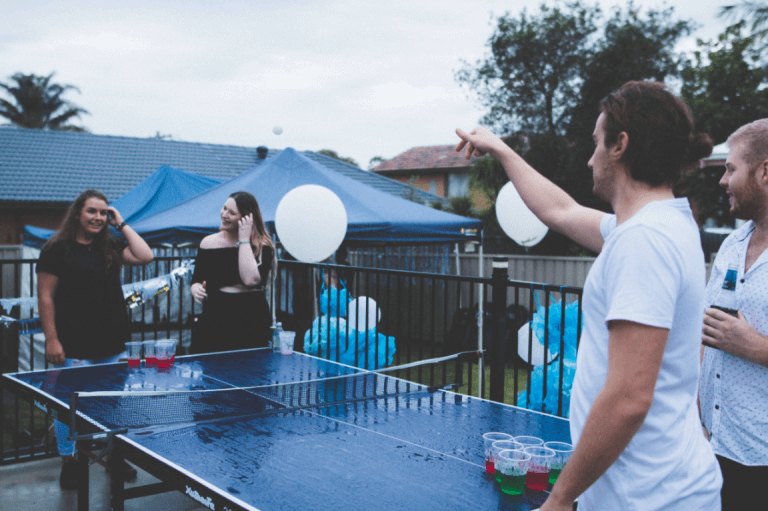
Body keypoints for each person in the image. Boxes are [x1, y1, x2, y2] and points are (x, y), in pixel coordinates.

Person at [456, 81, 722, 510]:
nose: (590, 158)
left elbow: (630, 396)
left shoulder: (645, 240)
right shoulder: (660, 225)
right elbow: (560, 211)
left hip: (649, 498)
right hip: (653, 489)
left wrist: (561, 498)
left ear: (620, 145)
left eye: (597, 143)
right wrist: (502, 151)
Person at [37, 188, 154, 489]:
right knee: (68, 407)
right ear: (77, 214)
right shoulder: (56, 249)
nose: (98, 217)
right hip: (73, 343)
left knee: (111, 404)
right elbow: (46, 296)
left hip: (111, 341)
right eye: (92, 211)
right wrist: (52, 339)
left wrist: (121, 223)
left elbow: (146, 255)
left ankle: (114, 456)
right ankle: (69, 460)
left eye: (104, 212)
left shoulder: (111, 246)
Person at [700, 119, 768, 510]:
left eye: (730, 169)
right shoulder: (730, 244)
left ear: (764, 171)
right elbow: (707, 331)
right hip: (714, 446)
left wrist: (756, 347)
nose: (723, 180)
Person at [190, 191, 275, 354]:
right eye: (224, 208)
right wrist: (195, 289)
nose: (224, 215)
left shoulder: (261, 245)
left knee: (251, 366)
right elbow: (197, 279)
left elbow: (250, 280)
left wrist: (244, 240)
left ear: (246, 219)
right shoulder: (208, 243)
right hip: (217, 313)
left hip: (250, 315)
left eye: (232, 213)